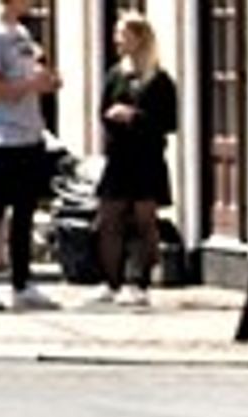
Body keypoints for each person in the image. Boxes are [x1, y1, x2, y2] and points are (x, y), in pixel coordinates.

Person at [0, 0, 61, 312]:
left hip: (29, 134)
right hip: (1, 137)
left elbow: (28, 78)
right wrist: (32, 83)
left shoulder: (21, 33)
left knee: (25, 213)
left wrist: (46, 82)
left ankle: (22, 282)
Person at [89, 12, 176, 308]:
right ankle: (110, 281)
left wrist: (135, 117)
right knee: (109, 217)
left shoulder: (160, 79)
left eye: (122, 34)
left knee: (144, 220)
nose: (117, 40)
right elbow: (102, 110)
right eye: (116, 33)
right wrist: (113, 120)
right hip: (119, 156)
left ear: (140, 38)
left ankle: (141, 282)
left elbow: (169, 120)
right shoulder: (115, 74)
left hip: (148, 157)